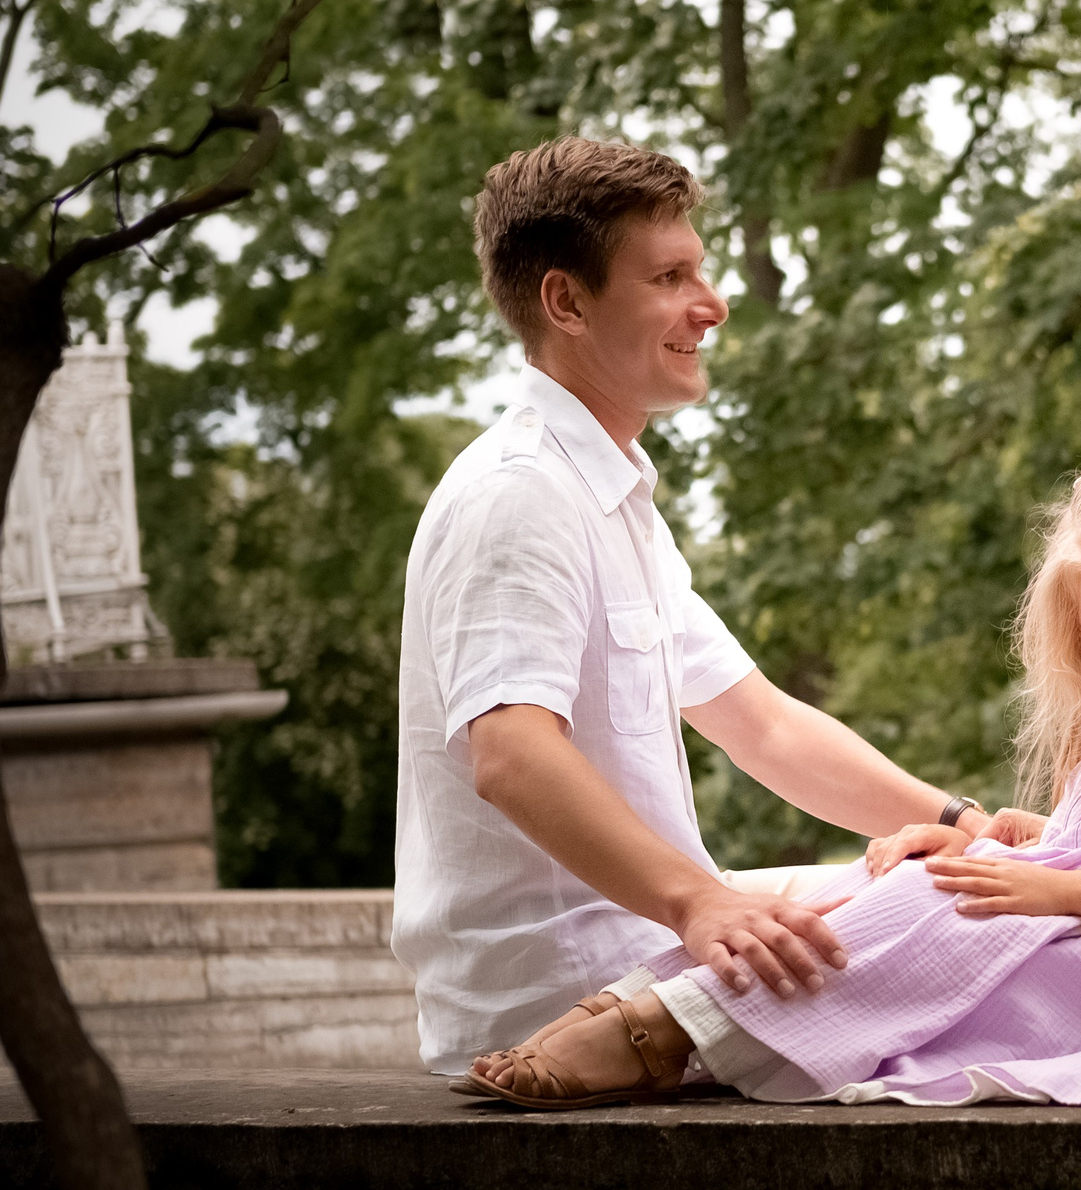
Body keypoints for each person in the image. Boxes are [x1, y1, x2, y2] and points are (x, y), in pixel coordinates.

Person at [394, 136, 1003, 1074]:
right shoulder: (517, 496)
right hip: (564, 989)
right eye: (672, 276)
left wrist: (965, 822)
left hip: (647, 944)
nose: (711, 306)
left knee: (965, 876)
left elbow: (763, 727)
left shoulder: (612, 496)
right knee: (978, 915)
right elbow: (511, 753)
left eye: (701, 270)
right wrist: (698, 903)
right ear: (567, 301)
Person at [461, 457, 1081, 1109]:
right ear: (1080, 630)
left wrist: (1041, 882)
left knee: (931, 898)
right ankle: (642, 1003)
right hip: (1079, 940)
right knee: (880, 879)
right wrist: (986, 840)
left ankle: (673, 1031)